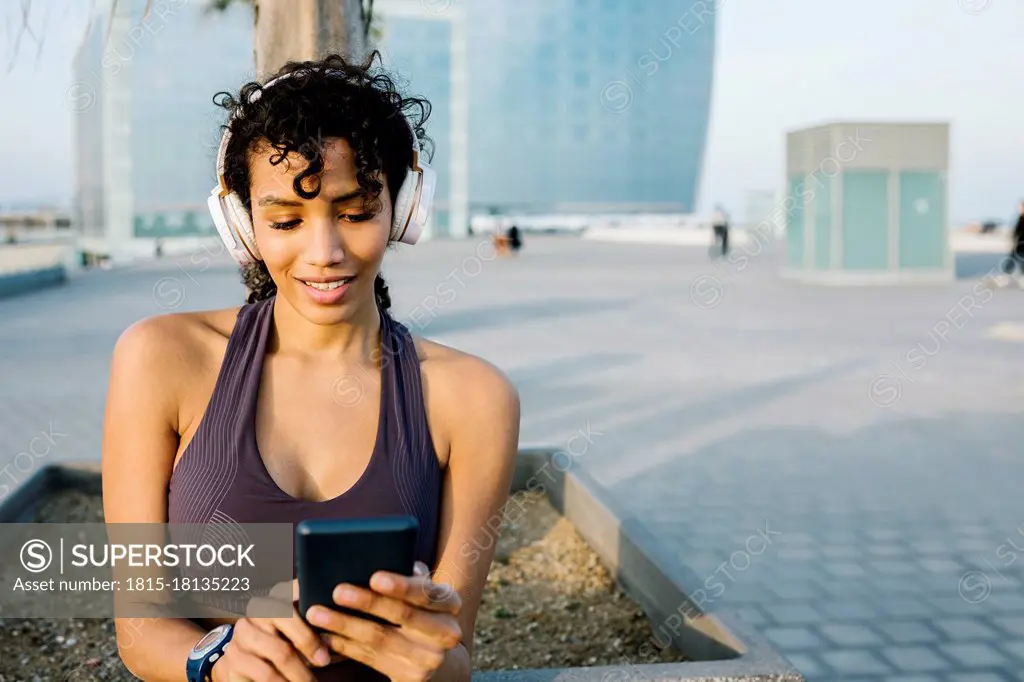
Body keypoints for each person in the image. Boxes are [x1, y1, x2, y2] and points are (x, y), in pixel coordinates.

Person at [102, 52, 521, 682]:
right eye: (285, 220)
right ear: (243, 226)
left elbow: (455, 653)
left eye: (355, 214)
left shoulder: (473, 397)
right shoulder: (162, 360)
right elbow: (139, 629)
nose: (323, 253)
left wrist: (433, 659)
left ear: (402, 212)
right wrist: (217, 658)